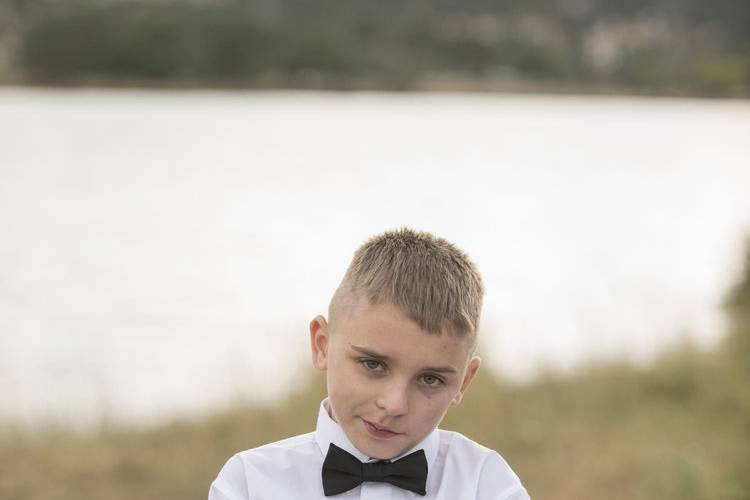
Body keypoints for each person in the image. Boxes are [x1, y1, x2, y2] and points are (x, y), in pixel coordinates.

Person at [208, 228, 530, 499]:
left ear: (463, 382)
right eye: (373, 365)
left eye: (430, 379)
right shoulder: (248, 484)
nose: (394, 404)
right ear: (322, 344)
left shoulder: (486, 484)